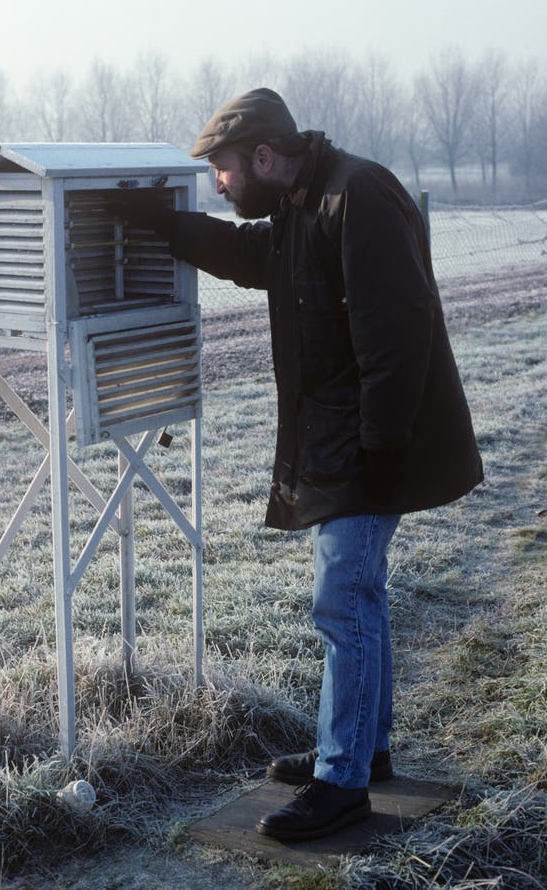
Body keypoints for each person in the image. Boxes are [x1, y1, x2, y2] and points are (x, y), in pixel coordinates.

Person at [121, 88, 483, 842]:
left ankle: (341, 782)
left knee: (341, 602)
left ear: (262, 157)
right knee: (362, 597)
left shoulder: (359, 195)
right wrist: (172, 228)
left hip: (368, 442)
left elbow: (398, 331)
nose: (219, 185)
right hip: (344, 442)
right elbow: (255, 259)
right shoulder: (302, 204)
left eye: (222, 171)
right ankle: (364, 751)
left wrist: (382, 450)